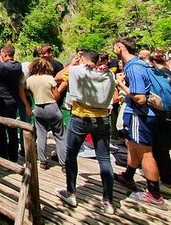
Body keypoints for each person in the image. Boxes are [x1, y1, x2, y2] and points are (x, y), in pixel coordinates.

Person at [55, 50, 116, 215]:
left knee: (71, 154)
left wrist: (73, 63)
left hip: (80, 119)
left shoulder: (76, 71)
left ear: (82, 59)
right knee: (104, 159)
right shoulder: (108, 74)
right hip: (103, 119)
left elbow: (58, 77)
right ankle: (108, 201)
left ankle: (71, 193)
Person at [113, 37, 165, 209]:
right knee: (132, 145)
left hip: (140, 114)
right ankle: (128, 176)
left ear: (120, 47)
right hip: (144, 114)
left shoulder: (134, 68)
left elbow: (140, 98)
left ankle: (154, 194)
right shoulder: (141, 64)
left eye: (115, 46)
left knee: (145, 152)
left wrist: (120, 84)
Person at [0, 44, 32, 162]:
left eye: (2, 53)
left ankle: (3, 158)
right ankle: (14, 157)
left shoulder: (2, 68)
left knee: (0, 131)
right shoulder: (17, 65)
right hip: (13, 103)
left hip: (1, 103)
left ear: (5, 54)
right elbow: (4, 65)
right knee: (12, 130)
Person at [26, 58, 66, 170]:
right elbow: (57, 95)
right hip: (52, 107)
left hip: (38, 108)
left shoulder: (30, 80)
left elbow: (27, 91)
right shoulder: (49, 78)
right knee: (59, 136)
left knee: (41, 135)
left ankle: (42, 161)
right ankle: (64, 164)